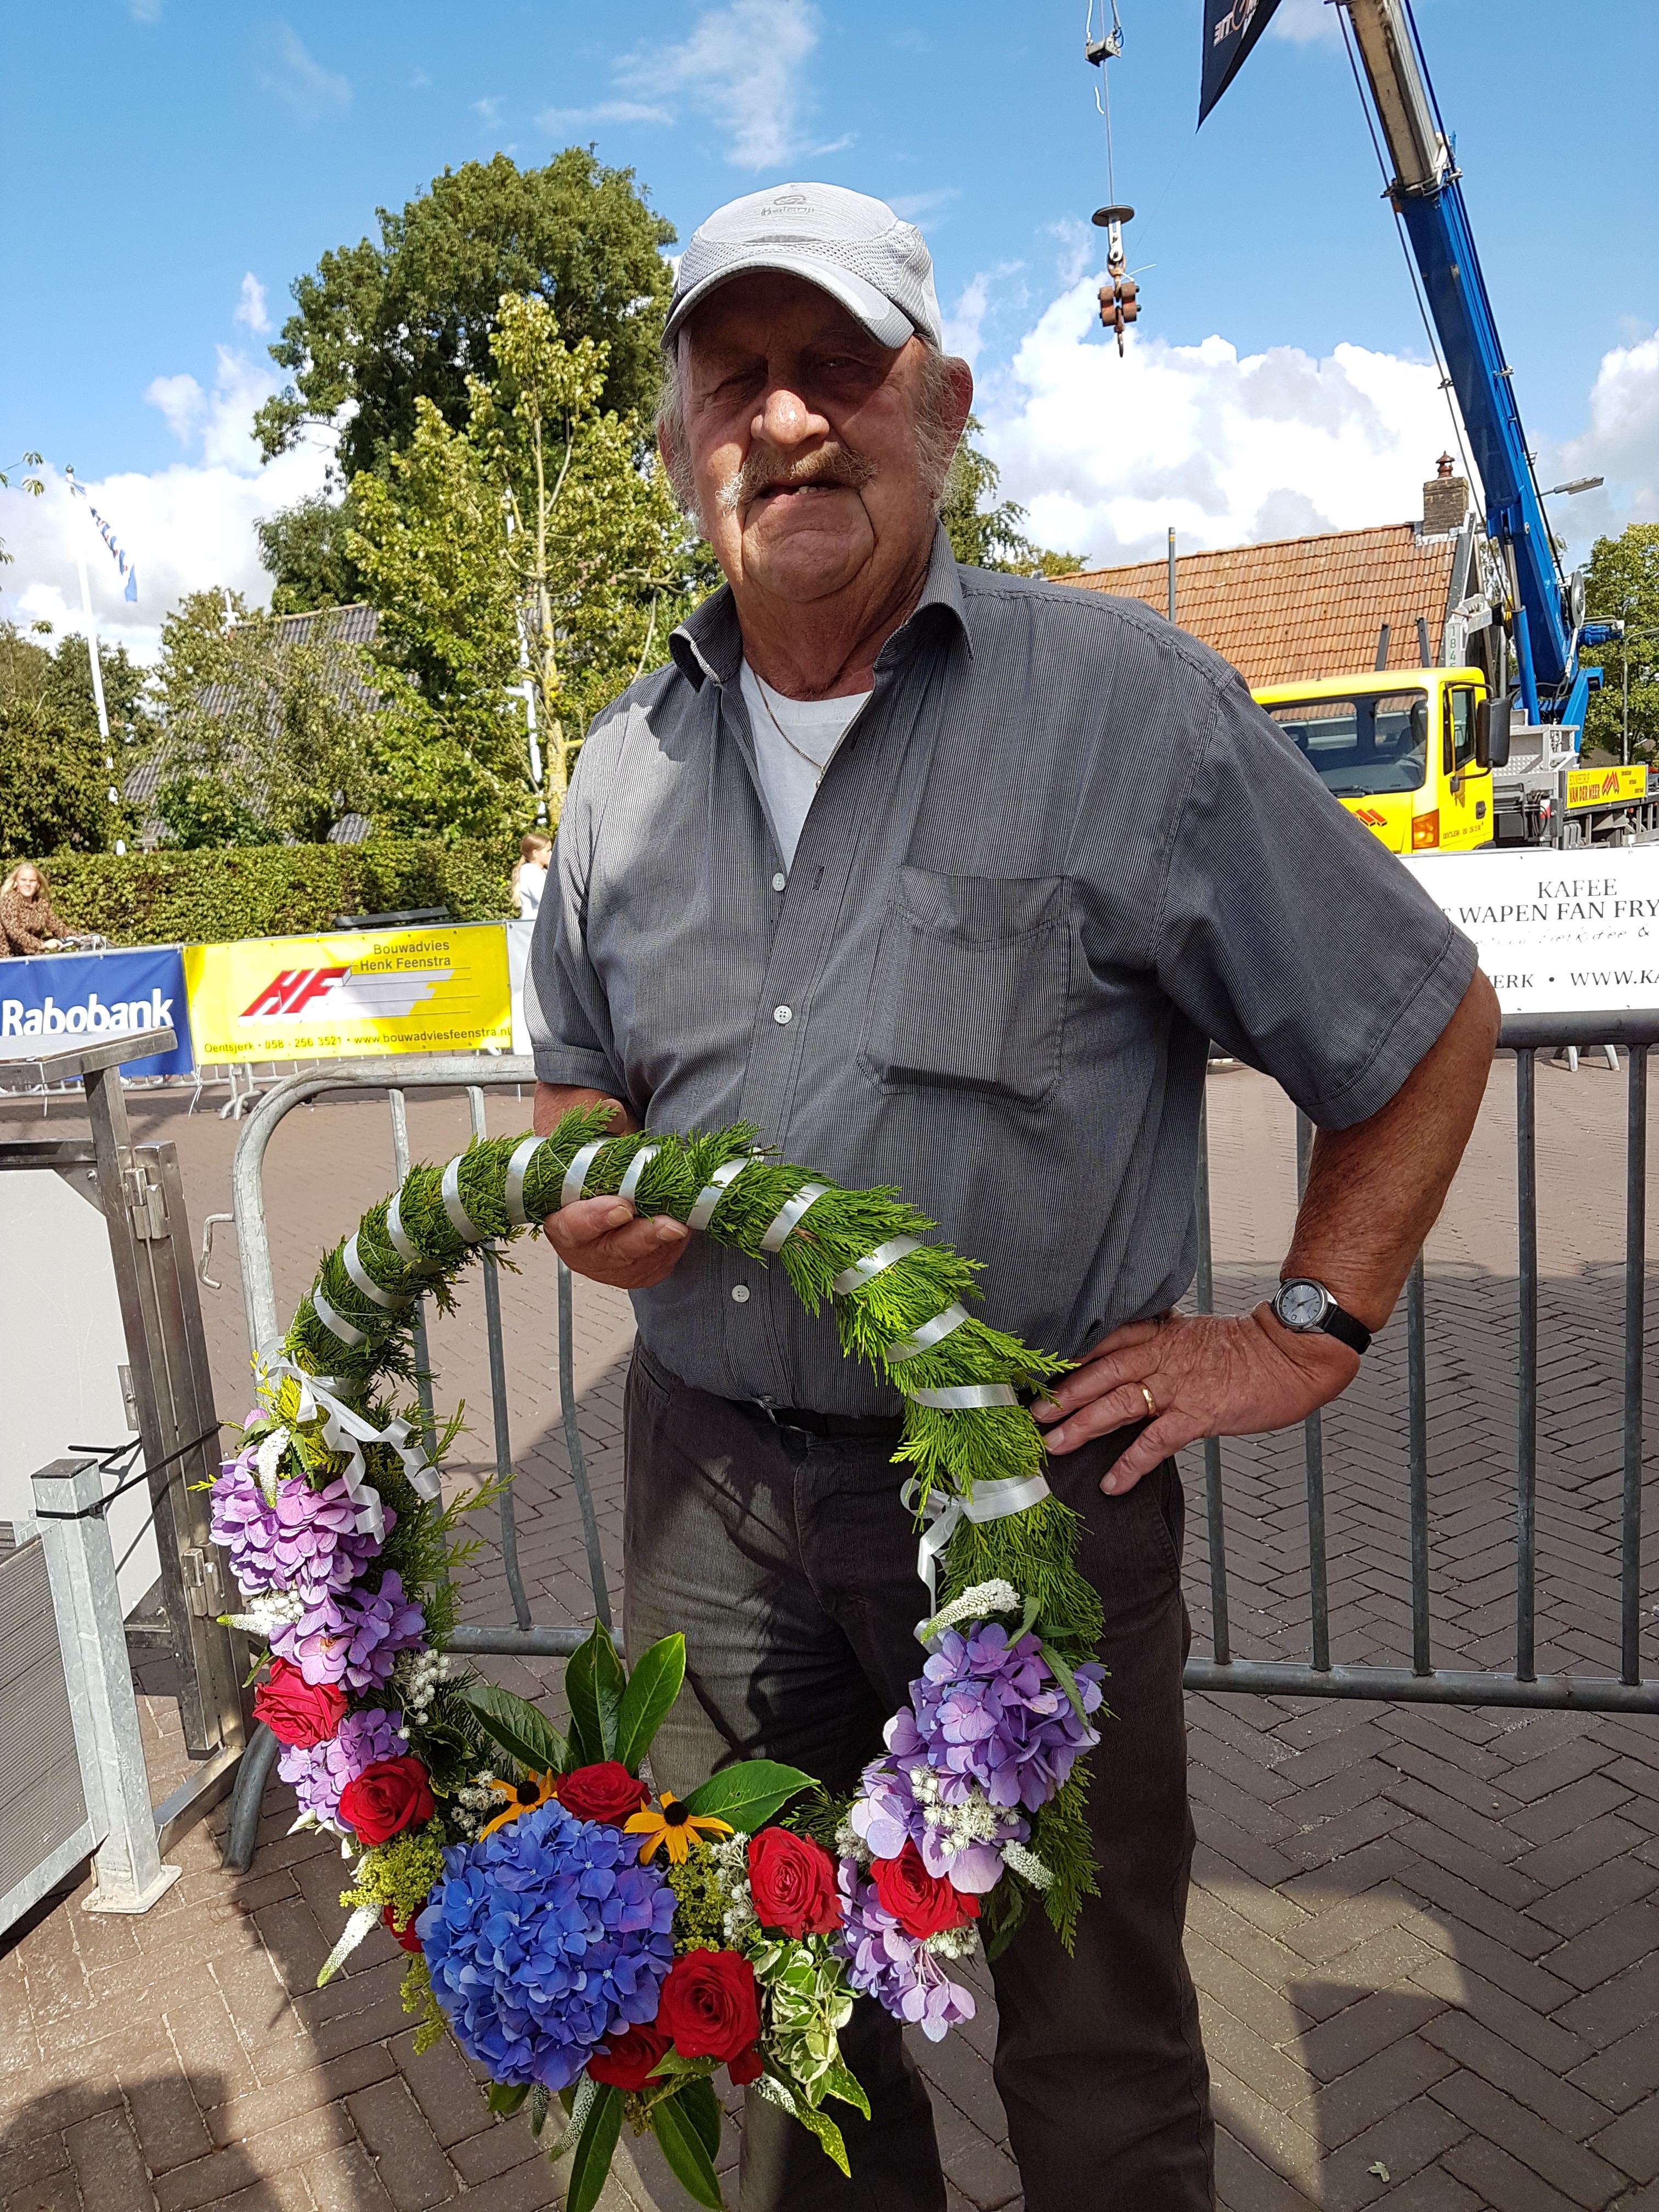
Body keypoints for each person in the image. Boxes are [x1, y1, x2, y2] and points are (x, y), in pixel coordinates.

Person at [526, 182, 1499, 2212]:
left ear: (936, 402)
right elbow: (573, 1072)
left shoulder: (1124, 711)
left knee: (1086, 2020)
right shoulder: (615, 766)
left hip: (1023, 1507)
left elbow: (1415, 1023)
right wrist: (576, 1176)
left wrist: (1302, 1326)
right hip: (704, 1495)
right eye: (733, 382)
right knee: (767, 2002)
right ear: (672, 446)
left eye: (832, 369)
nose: (781, 422)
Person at [0, 862, 76, 956]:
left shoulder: (42, 904)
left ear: (38, 885)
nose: (28, 884)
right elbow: (14, 931)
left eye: (32, 881)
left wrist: (82, 939)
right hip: (7, 959)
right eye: (23, 880)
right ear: (16, 883)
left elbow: (58, 927)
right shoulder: (8, 901)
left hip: (30, 957)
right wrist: (42, 945)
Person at [511, 831, 552, 922]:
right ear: (536, 853)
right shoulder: (529, 871)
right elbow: (546, 899)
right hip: (534, 927)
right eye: (548, 851)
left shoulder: (544, 872)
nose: (551, 854)